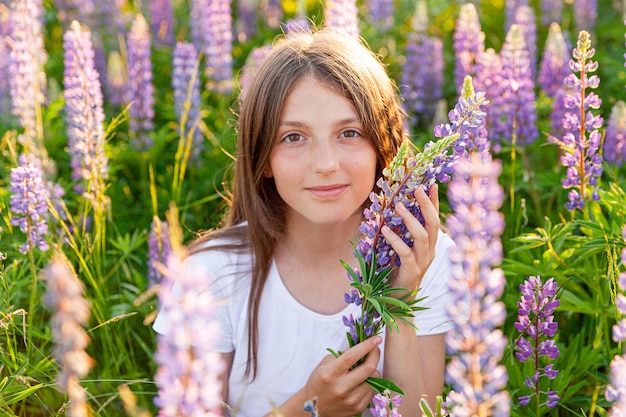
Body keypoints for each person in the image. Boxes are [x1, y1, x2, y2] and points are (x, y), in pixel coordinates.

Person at [153, 27, 455, 417]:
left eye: (349, 133)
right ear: (263, 160)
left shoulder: (423, 257)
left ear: (383, 149)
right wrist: (310, 407)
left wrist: (400, 300)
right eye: (294, 137)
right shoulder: (210, 274)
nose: (326, 164)